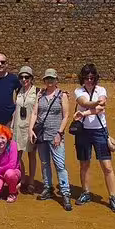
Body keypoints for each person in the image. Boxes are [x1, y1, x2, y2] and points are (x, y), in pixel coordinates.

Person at [73, 64, 115, 213]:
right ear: (83, 78)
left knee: (107, 166)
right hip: (83, 133)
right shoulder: (78, 91)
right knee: (84, 164)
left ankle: (113, 197)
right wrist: (94, 106)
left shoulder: (101, 90)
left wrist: (84, 114)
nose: (89, 80)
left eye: (92, 78)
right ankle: (86, 192)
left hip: (100, 131)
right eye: (87, 78)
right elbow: (85, 103)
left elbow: (102, 106)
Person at [30, 69, 72, 211]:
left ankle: (65, 192)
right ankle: (47, 187)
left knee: (59, 164)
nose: (49, 81)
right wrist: (31, 129)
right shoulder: (40, 95)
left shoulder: (62, 96)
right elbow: (35, 112)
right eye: (47, 79)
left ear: (56, 80)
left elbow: (66, 116)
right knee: (45, 162)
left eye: (52, 79)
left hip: (55, 135)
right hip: (42, 134)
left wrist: (59, 133)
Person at [11, 66, 38, 193]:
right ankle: (22, 177)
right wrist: (11, 127)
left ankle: (31, 180)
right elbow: (15, 111)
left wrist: (63, 94)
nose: (24, 79)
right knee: (18, 154)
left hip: (30, 127)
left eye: (27, 77)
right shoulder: (18, 91)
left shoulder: (38, 91)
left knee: (31, 154)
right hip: (18, 126)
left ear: (31, 78)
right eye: (21, 77)